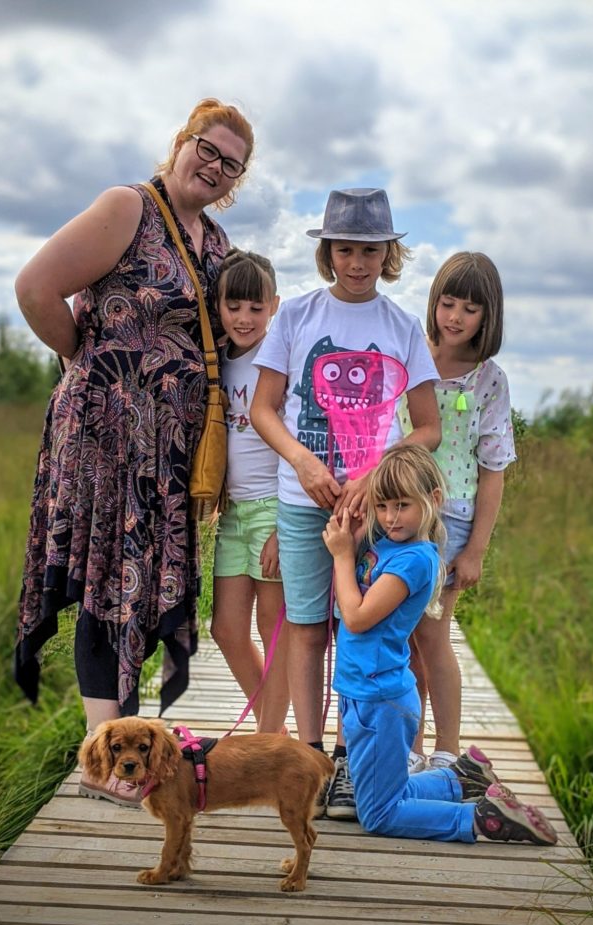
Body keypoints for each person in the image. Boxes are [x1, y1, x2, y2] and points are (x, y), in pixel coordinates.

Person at [13, 98, 254, 805]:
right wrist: (88, 363)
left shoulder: (217, 244)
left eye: (230, 164)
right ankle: (101, 759)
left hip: (170, 454)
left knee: (143, 586)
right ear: (181, 142)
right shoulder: (129, 208)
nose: (214, 167)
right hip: (107, 440)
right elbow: (35, 288)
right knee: (106, 581)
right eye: (206, 149)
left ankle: (125, 749)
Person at [250, 188, 441, 820]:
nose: (357, 263)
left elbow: (428, 427)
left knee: (359, 626)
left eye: (370, 250)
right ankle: (309, 760)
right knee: (307, 627)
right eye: (345, 249)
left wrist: (377, 474)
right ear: (328, 252)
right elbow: (264, 409)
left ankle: (351, 758)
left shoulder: (402, 327)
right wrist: (302, 462)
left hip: (375, 510)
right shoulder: (297, 316)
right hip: (303, 501)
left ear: (388, 254)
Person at [322, 444, 557, 846]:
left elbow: (357, 617)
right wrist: (354, 531)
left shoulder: (416, 559)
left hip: (381, 700)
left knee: (378, 814)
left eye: (402, 505)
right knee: (377, 793)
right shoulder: (389, 545)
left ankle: (481, 819)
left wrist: (343, 557)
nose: (391, 517)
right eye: (382, 506)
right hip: (362, 691)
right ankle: (461, 779)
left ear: (432, 500)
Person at [399, 252, 516, 773]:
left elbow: (494, 469)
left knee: (431, 635)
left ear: (487, 316)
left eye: (470, 309)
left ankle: (446, 749)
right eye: (447, 303)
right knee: (400, 637)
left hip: (451, 520)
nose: (455, 317)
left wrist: (476, 551)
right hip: (397, 514)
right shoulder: (411, 357)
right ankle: (409, 745)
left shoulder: (489, 380)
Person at [209, 248, 289, 733]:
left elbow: (299, 440)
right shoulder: (217, 360)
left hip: (275, 508)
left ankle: (267, 742)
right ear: (218, 305)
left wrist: (286, 526)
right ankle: (274, 732)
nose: (244, 318)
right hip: (234, 512)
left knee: (272, 629)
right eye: (233, 306)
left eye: (256, 308)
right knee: (226, 629)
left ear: (274, 306)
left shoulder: (279, 362)